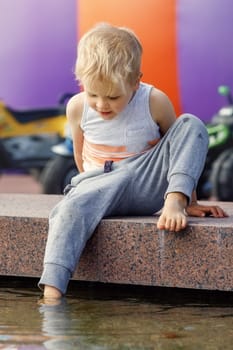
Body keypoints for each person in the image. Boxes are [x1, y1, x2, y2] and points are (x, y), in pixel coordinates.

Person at [38, 23, 227, 300]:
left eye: (113, 96)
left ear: (136, 82)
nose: (102, 104)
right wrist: (89, 193)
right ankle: (53, 293)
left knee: (191, 124)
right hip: (101, 183)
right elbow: (80, 157)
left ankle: (175, 201)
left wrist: (190, 200)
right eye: (93, 94)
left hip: (147, 183)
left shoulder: (155, 101)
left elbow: (179, 148)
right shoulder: (77, 107)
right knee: (67, 210)